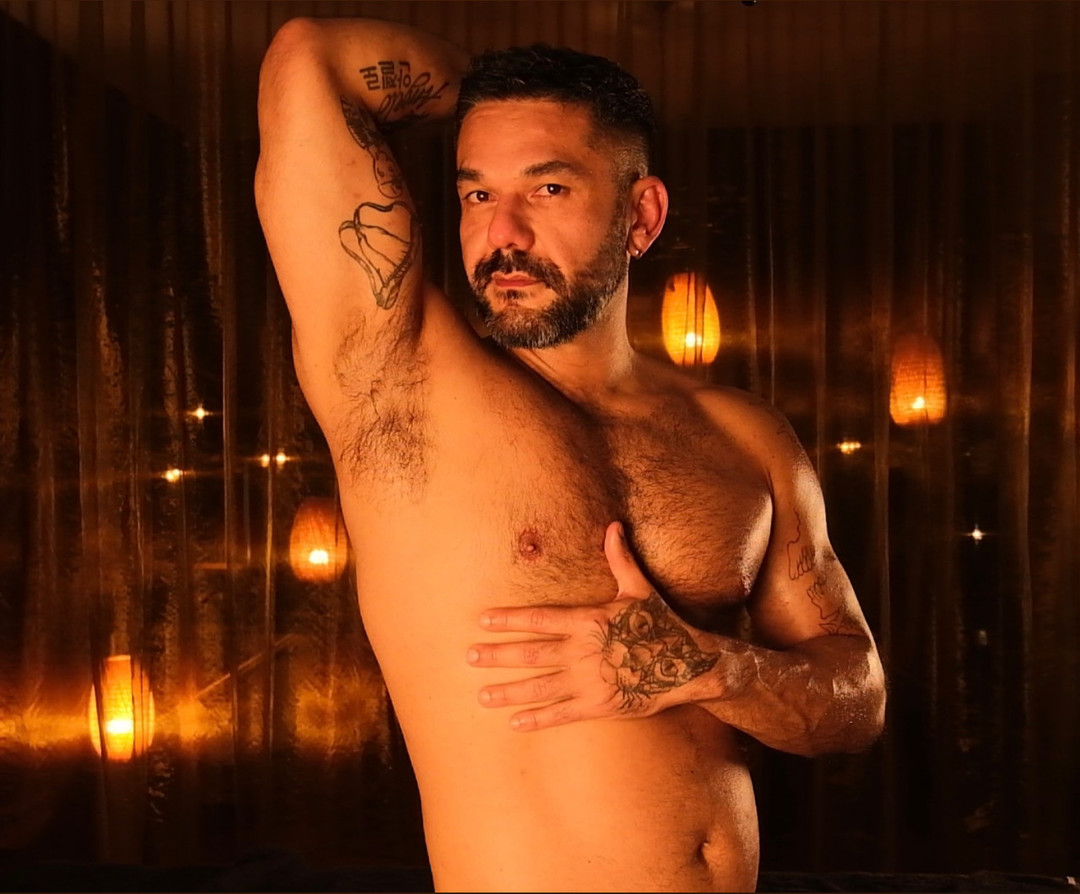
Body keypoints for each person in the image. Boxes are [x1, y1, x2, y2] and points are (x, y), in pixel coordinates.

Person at [255, 15, 886, 893]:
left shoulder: (743, 434)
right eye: (477, 194)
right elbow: (310, 57)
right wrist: (486, 88)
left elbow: (856, 701)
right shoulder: (396, 378)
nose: (502, 232)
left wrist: (704, 665)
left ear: (641, 214)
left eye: (547, 188)